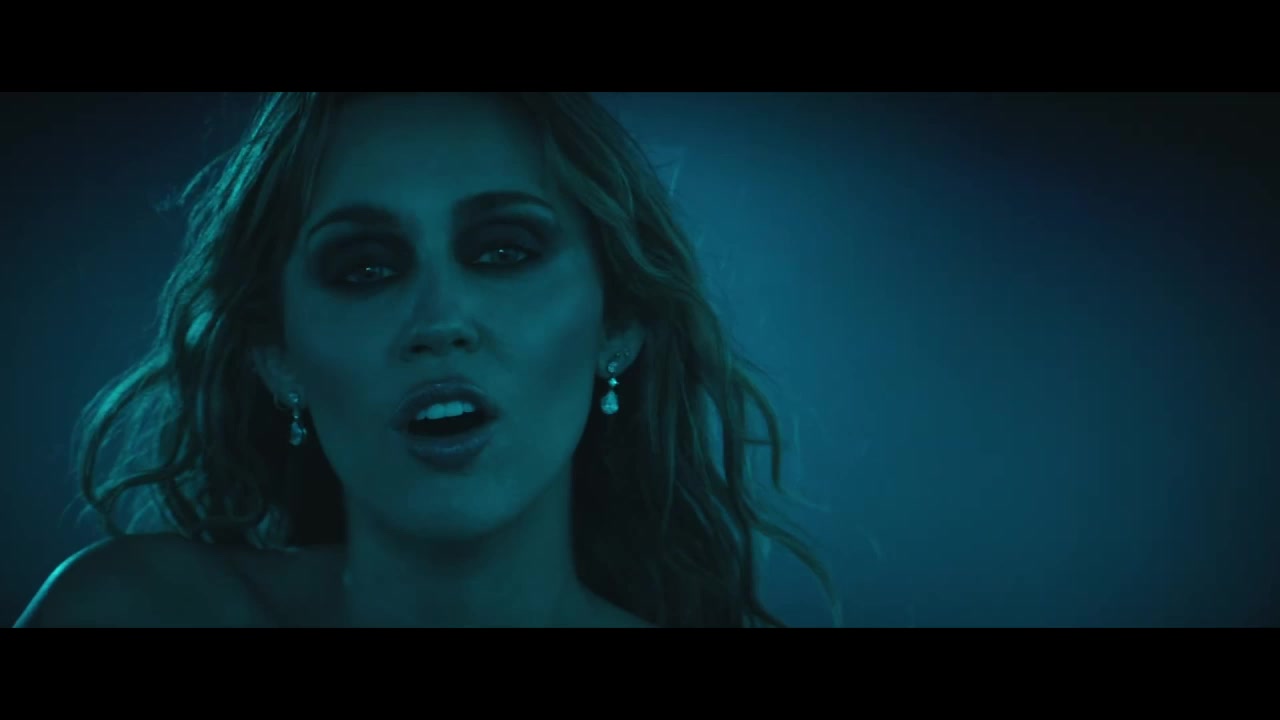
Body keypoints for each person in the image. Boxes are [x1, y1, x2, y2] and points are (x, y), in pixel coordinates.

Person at [16, 92, 835, 628]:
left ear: (617, 324)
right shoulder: (133, 611)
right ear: (279, 360)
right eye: (365, 268)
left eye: (504, 251)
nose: (439, 321)